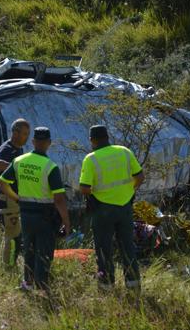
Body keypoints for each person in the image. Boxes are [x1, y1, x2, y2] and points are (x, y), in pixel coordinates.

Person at [0, 127, 71, 292]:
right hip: (45, 216)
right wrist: (66, 220)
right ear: (48, 143)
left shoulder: (19, 161)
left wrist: (17, 198)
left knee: (29, 250)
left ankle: (28, 284)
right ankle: (42, 289)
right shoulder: (50, 167)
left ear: (33, 142)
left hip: (26, 214)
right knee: (44, 252)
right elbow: (59, 199)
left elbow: (1, 183)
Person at [79, 125, 145, 292]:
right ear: (108, 137)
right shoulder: (124, 151)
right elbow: (140, 176)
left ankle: (106, 286)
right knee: (127, 247)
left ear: (91, 140)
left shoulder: (91, 158)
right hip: (125, 207)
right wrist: (130, 192)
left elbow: (85, 188)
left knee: (103, 249)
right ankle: (133, 284)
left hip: (102, 210)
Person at [0, 119, 30, 270]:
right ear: (15, 133)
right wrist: (15, 168)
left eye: (28, 134)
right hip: (8, 199)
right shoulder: (7, 148)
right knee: (13, 235)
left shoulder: (19, 149)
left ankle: (7, 264)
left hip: (15, 198)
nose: (26, 137)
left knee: (13, 233)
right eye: (24, 134)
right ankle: (8, 268)